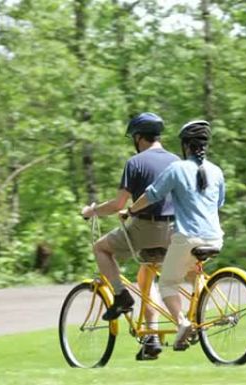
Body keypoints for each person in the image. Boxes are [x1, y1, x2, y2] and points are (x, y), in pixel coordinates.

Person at [81, 112, 179, 360]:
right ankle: (151, 337)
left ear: (138, 137)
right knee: (147, 273)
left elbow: (117, 204)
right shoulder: (177, 161)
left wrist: (92, 211)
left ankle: (120, 295)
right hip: (175, 232)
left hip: (146, 229)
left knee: (101, 248)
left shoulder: (135, 162)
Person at [127, 120, 224, 351]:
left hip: (188, 238)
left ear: (185, 146)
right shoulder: (216, 171)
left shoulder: (177, 169)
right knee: (191, 273)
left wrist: (131, 210)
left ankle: (182, 323)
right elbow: (219, 203)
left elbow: (152, 195)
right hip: (215, 238)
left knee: (168, 283)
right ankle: (199, 316)